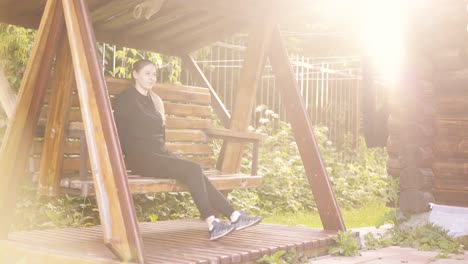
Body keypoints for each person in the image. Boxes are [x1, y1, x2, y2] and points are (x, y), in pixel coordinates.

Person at [113, 59, 262, 240]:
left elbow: (159, 135)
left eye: (154, 74)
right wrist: (117, 163)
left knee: (195, 171)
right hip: (141, 158)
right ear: (135, 74)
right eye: (147, 73)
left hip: (158, 154)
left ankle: (234, 216)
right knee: (193, 169)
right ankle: (212, 223)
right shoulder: (125, 100)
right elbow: (117, 133)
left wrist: (165, 152)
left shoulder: (154, 100)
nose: (152, 78)